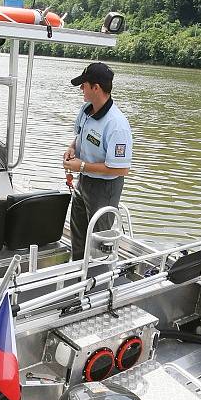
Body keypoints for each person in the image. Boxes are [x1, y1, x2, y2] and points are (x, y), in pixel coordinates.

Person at [63, 62, 133, 260]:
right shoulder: (86, 110)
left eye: (84, 85)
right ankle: (76, 274)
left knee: (99, 242)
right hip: (83, 181)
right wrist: (71, 149)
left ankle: (97, 279)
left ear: (96, 88)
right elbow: (78, 137)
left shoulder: (117, 124)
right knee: (78, 234)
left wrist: (82, 165)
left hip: (105, 188)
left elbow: (121, 169)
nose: (80, 89)